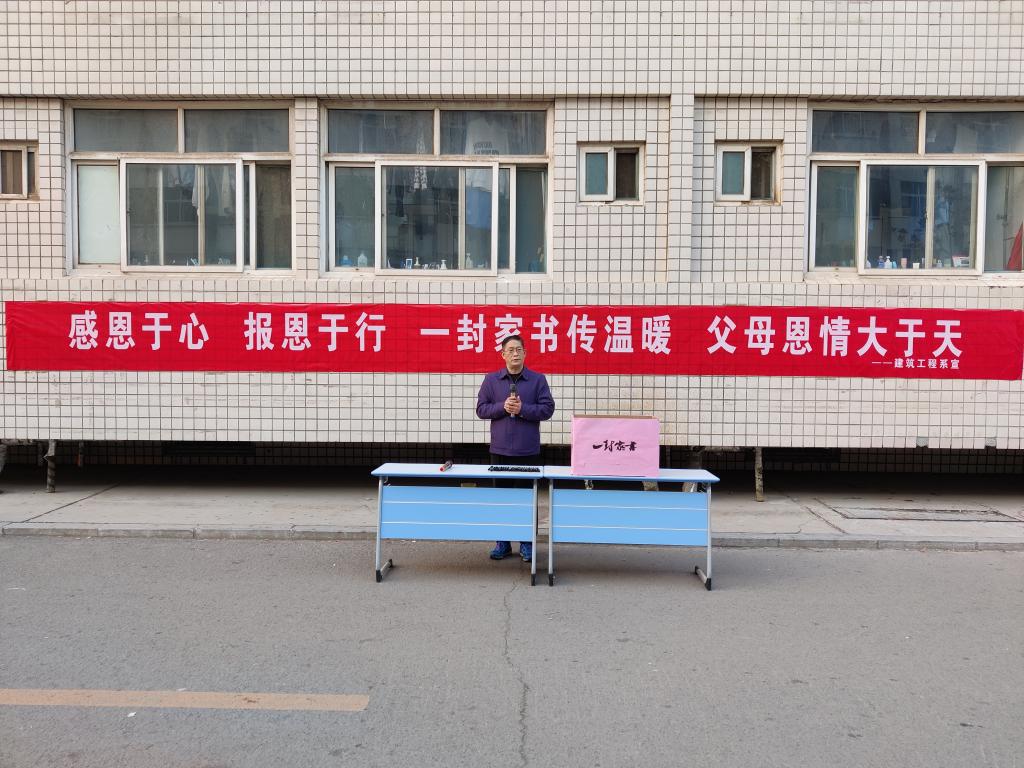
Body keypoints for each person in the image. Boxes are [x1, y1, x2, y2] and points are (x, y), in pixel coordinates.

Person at [475, 334, 555, 562]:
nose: (515, 354)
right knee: (502, 499)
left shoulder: (538, 380)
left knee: (526, 499)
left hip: (527, 451)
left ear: (525, 353)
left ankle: (527, 543)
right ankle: (502, 542)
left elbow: (547, 409)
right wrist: (502, 407)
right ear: (503, 355)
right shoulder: (491, 380)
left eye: (519, 349)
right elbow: (481, 409)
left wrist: (523, 409)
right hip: (499, 450)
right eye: (510, 350)